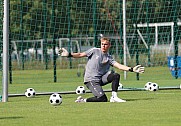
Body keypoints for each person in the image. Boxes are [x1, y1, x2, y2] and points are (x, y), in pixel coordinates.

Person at [58, 37, 144, 103]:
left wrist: (132, 69)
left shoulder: (109, 57)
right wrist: (68, 54)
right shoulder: (94, 51)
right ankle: (83, 100)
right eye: (102, 44)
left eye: (106, 44)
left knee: (115, 76)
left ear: (109, 45)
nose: (103, 46)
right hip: (90, 80)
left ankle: (114, 97)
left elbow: (119, 66)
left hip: (100, 79)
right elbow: (80, 54)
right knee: (102, 99)